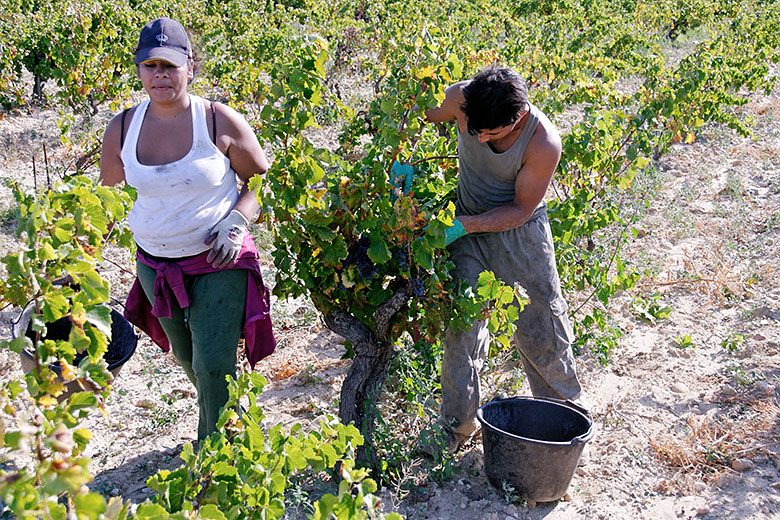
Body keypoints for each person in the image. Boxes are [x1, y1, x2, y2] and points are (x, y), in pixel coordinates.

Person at [99, 17, 275, 443]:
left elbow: (264, 181)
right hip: (155, 266)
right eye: (151, 65)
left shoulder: (217, 120)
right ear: (139, 70)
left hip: (217, 261)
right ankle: (234, 419)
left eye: (170, 66)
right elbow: (104, 201)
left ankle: (214, 460)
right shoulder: (122, 128)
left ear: (190, 68)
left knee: (213, 363)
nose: (160, 74)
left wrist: (236, 221)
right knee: (187, 356)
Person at [414, 66, 587, 454]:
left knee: (541, 329)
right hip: (465, 226)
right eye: (471, 127)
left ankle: (566, 428)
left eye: (488, 132)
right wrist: (398, 162)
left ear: (518, 118)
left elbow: (522, 209)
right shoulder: (464, 97)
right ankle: (456, 429)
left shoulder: (542, 143)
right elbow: (418, 113)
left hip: (518, 236)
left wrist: (465, 226)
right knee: (461, 329)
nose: (477, 136)